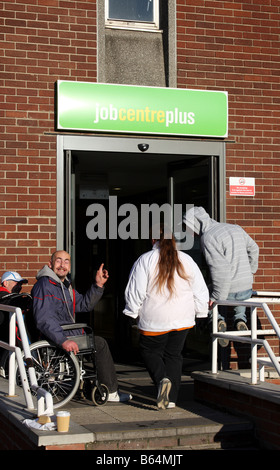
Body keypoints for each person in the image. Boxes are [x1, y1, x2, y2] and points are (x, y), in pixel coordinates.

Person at [123, 225, 209, 409]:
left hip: (155, 319)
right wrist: (201, 312)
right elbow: (200, 289)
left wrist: (132, 312)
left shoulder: (145, 259)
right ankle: (171, 400)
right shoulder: (186, 260)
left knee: (149, 351)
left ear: (153, 240)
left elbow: (135, 290)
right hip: (183, 318)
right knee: (174, 356)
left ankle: (162, 379)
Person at [31, 250, 132, 403]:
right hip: (58, 336)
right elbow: (44, 319)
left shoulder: (64, 287)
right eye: (58, 261)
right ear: (50, 264)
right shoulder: (45, 285)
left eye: (66, 262)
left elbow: (84, 305)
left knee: (94, 340)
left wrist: (98, 285)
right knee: (99, 344)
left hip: (67, 334)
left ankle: (103, 387)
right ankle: (110, 391)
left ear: (69, 267)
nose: (62, 265)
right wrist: (63, 340)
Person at [183, 207, 259, 346]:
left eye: (190, 228)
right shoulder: (236, 228)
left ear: (196, 223)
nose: (191, 234)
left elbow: (220, 270)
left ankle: (218, 320)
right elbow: (254, 249)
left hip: (229, 291)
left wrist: (215, 298)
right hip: (246, 289)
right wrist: (251, 271)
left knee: (206, 296)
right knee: (236, 294)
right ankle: (240, 320)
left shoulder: (208, 237)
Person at [0, 271, 32, 375]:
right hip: (5, 343)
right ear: (6, 283)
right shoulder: (4, 296)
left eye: (21, 284)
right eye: (16, 283)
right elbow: (12, 301)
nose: (19, 287)